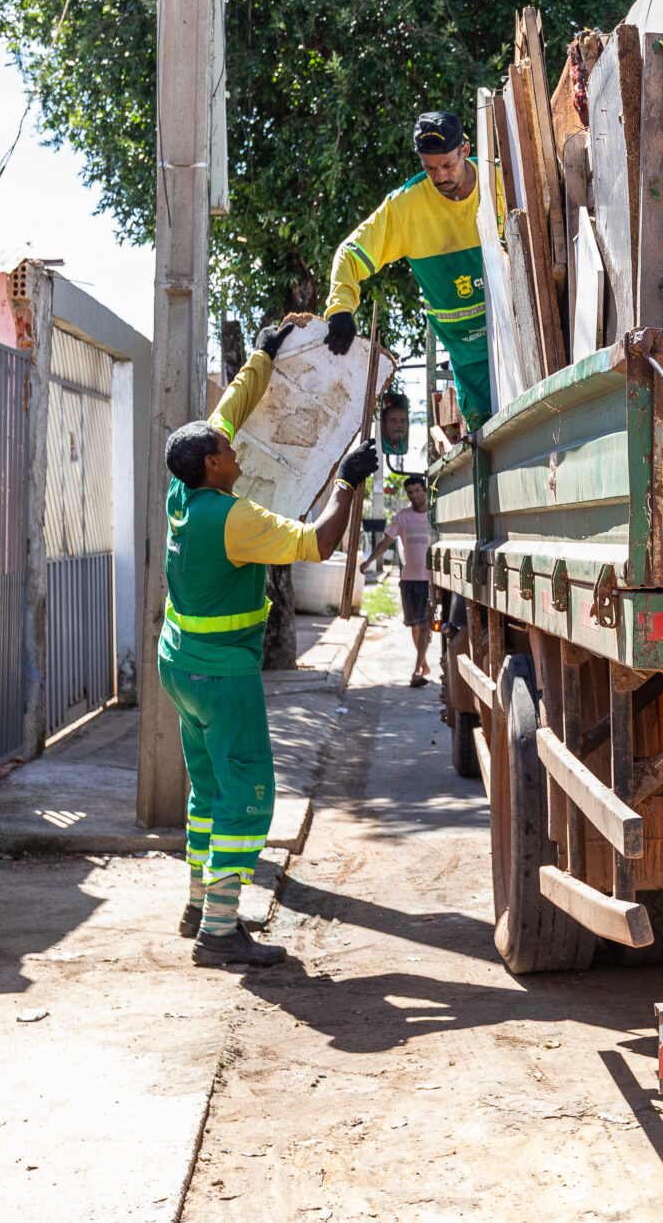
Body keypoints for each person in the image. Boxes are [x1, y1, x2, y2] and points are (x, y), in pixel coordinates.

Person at [162, 319, 376, 968]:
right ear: (211, 465)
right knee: (249, 798)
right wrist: (348, 481)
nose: (238, 451)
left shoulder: (182, 493)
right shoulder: (236, 520)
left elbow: (228, 409)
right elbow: (320, 542)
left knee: (205, 791)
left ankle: (199, 903)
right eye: (228, 450)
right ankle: (220, 932)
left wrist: (264, 354)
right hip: (224, 678)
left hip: (180, 666)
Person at [323, 111, 491, 429]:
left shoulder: (501, 179)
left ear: (465, 151)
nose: (440, 176)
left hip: (519, 338)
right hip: (468, 354)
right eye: (430, 169)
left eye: (448, 165)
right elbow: (349, 254)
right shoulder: (406, 206)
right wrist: (341, 308)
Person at [366, 477, 438, 687]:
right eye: (410, 492)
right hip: (409, 580)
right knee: (414, 626)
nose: (413, 495)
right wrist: (369, 560)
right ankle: (423, 664)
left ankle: (417, 670)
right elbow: (386, 541)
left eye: (417, 491)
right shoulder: (402, 517)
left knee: (425, 625)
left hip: (429, 581)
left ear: (425, 491)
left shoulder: (435, 516)